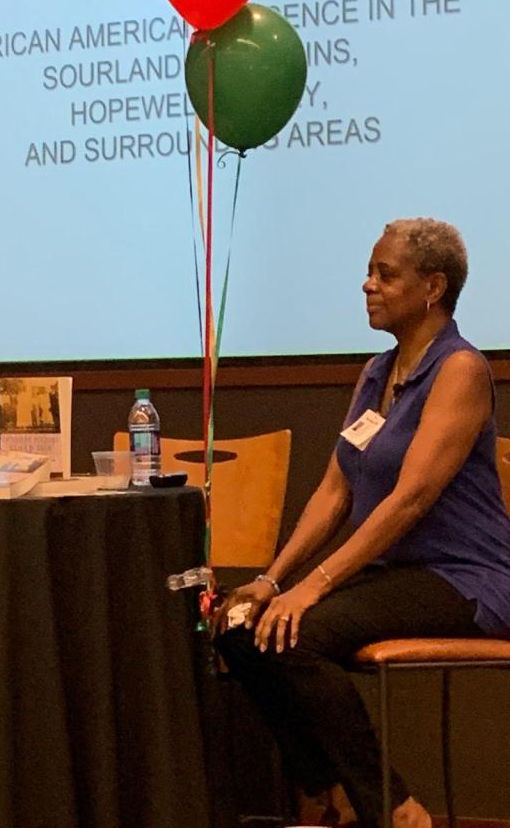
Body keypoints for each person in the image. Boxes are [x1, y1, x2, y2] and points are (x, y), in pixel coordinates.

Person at [215, 218, 510, 828]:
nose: (367, 284)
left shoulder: (460, 370)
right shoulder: (378, 372)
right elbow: (334, 491)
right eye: (370, 272)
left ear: (433, 288)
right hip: (394, 574)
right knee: (240, 626)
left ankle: (392, 808)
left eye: (385, 274)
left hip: (465, 578)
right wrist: (271, 580)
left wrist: (313, 586)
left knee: (298, 633)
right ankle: (333, 791)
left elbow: (410, 500)